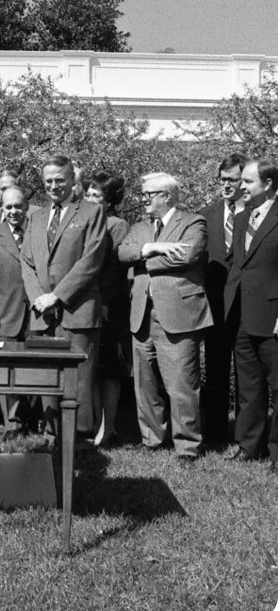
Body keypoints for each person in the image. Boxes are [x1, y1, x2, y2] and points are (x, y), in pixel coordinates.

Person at [118, 173, 213, 463]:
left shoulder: (193, 221)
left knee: (182, 384)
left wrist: (142, 259)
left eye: (149, 193)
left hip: (179, 314)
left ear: (167, 195)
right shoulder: (139, 227)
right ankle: (152, 440)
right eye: (143, 193)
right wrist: (152, 248)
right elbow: (121, 253)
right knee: (145, 384)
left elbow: (187, 256)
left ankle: (187, 447)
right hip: (142, 316)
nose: (143, 198)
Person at [21, 155, 106, 440]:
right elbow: (27, 262)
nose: (54, 186)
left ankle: (79, 437)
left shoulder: (91, 212)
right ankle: (52, 433)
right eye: (48, 181)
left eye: (60, 180)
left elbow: (90, 261)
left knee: (79, 378)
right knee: (47, 375)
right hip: (42, 312)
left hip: (76, 309)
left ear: (72, 180)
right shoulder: (36, 216)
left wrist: (56, 297)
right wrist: (38, 298)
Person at [224, 158, 277, 468]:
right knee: (249, 386)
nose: (240, 186)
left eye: (247, 181)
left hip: (273, 316)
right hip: (243, 315)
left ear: (267, 184)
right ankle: (249, 446)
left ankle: (277, 452)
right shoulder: (243, 217)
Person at [0, 185, 38, 439]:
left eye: (18, 206)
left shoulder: (38, 233)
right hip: (7, 313)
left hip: (37, 314)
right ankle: (12, 424)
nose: (14, 211)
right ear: (1, 208)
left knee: (37, 369)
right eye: (8, 206)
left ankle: (36, 420)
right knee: (8, 371)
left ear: (27, 207)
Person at [199, 153, 247, 444]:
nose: (226, 185)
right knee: (215, 371)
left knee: (246, 374)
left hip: (246, 304)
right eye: (223, 179)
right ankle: (215, 434)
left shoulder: (256, 213)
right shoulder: (207, 214)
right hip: (214, 304)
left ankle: (246, 434)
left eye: (233, 179)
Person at [84, 170, 130, 446]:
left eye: (97, 195)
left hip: (109, 306)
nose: (90, 199)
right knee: (95, 369)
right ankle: (97, 426)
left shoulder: (116, 225)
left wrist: (103, 303)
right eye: (88, 193)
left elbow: (114, 271)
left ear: (110, 200)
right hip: (90, 303)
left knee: (110, 370)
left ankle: (109, 428)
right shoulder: (86, 221)